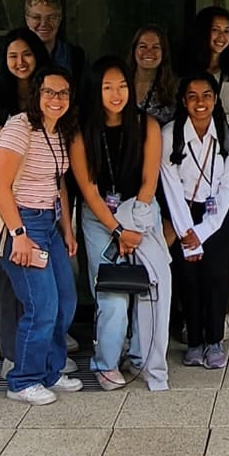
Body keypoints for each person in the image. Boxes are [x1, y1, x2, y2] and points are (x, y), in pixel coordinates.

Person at [70, 57, 171, 390]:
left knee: (149, 288)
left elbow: (149, 181)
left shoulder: (147, 125)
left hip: (140, 213)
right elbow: (88, 191)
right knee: (112, 292)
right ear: (94, 90)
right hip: (100, 217)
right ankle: (106, 363)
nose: (117, 94)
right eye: (107, 87)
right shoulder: (81, 132)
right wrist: (117, 231)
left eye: (123, 86)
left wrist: (134, 228)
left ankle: (142, 356)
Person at [0, 64, 83, 405]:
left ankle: (50, 371)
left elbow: (58, 184)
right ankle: (22, 380)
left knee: (65, 301)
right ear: (36, 95)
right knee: (41, 305)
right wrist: (18, 234)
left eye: (63, 93)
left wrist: (67, 229)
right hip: (22, 223)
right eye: (49, 92)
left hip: (49, 224)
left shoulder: (59, 131)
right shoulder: (20, 127)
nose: (57, 99)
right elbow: (0, 186)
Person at [158, 70, 229, 369]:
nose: (200, 103)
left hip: (218, 213)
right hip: (182, 210)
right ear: (184, 101)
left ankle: (214, 340)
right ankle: (194, 341)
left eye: (206, 95)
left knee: (216, 275)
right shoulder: (170, 135)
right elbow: (169, 186)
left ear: (216, 99)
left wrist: (203, 231)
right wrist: (186, 231)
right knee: (188, 277)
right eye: (192, 97)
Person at [0, 26, 49, 366]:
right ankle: (12, 354)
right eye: (13, 56)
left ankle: (39, 351)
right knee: (12, 281)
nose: (20, 62)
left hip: (43, 201)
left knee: (41, 282)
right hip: (6, 201)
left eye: (27, 54)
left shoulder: (50, 95)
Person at [184, 5, 229, 327]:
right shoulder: (187, 68)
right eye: (215, 29)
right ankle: (191, 311)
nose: (221, 37)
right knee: (190, 228)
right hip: (192, 161)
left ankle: (226, 307)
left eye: (227, 31)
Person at [25, 0, 88, 84]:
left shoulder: (76, 57)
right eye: (36, 17)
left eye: (51, 18)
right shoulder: (15, 57)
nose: (43, 24)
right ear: (27, 19)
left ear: (60, 19)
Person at [128, 23, 179, 125]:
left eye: (155, 47)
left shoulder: (174, 89)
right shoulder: (121, 82)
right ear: (134, 50)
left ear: (163, 52)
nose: (149, 52)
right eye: (143, 46)